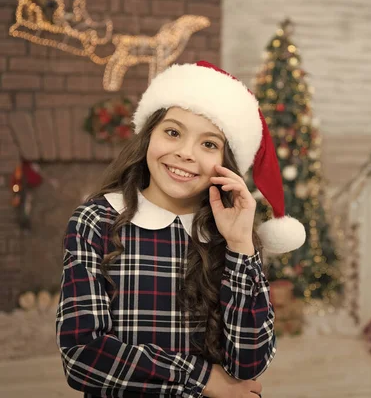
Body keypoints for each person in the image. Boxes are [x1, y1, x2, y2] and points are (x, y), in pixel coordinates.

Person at [56, 61, 306, 397]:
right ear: (148, 136)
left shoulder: (227, 233)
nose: (185, 154)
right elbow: (82, 355)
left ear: (226, 164)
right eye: (173, 132)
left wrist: (240, 245)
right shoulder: (97, 219)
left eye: (209, 144)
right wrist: (204, 378)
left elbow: (249, 364)